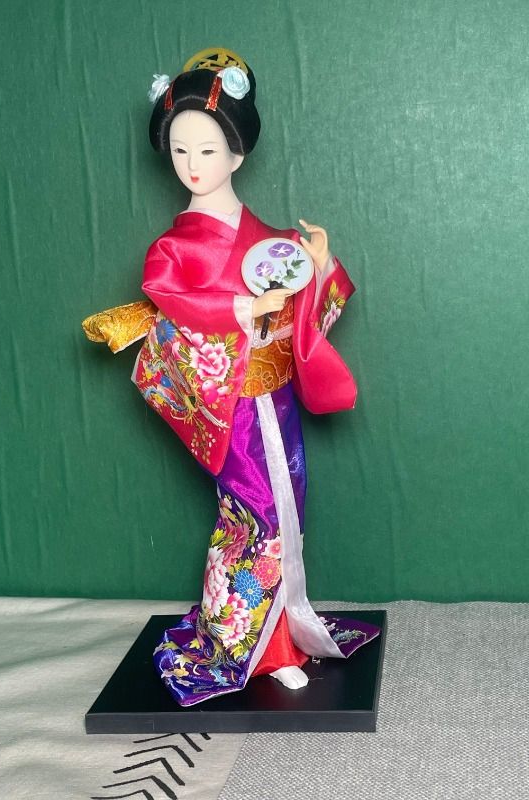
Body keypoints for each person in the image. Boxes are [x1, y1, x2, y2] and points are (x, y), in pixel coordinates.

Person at [128, 48, 379, 706]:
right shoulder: (173, 249)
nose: (192, 164)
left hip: (278, 397)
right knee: (253, 516)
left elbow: (303, 308)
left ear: (236, 155)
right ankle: (251, 647)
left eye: (208, 150)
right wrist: (245, 307)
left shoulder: (268, 238)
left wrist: (317, 266)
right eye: (180, 150)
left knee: (289, 509)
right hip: (232, 402)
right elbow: (170, 296)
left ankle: (288, 632)